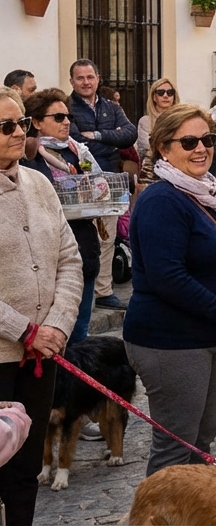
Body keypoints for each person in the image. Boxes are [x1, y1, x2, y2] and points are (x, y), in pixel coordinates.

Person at [124, 103, 216, 476]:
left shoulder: (206, 192)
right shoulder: (161, 199)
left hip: (210, 335)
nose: (201, 148)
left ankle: (192, 506)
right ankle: (157, 509)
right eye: (188, 142)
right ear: (163, 148)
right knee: (176, 448)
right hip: (170, 340)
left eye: (207, 139)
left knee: (201, 444)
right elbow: (167, 277)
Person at [0, 88, 82, 526]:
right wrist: (24, 330)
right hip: (4, 354)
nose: (19, 133)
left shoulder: (40, 183)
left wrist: (56, 325)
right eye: (6, 127)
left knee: (26, 467)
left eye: (20, 124)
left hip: (42, 354)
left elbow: (69, 259)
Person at [26, 89, 103, 344]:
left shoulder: (77, 151)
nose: (67, 122)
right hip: (47, 255)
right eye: (58, 117)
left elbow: (98, 186)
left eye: (68, 116)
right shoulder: (29, 158)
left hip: (83, 246)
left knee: (80, 333)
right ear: (37, 122)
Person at [68, 60, 136, 312]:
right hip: (80, 182)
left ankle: (104, 291)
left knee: (108, 237)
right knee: (82, 240)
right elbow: (74, 140)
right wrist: (111, 141)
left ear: (98, 78)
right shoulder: (67, 107)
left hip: (109, 178)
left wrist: (97, 136)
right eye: (80, 78)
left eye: (90, 77)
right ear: (71, 81)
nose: (86, 82)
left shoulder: (112, 107)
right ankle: (79, 292)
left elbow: (129, 135)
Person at [136, 78, 180, 162]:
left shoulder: (182, 120)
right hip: (153, 164)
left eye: (170, 92)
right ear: (154, 97)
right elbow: (148, 148)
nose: (165, 95)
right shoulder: (145, 121)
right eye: (160, 92)